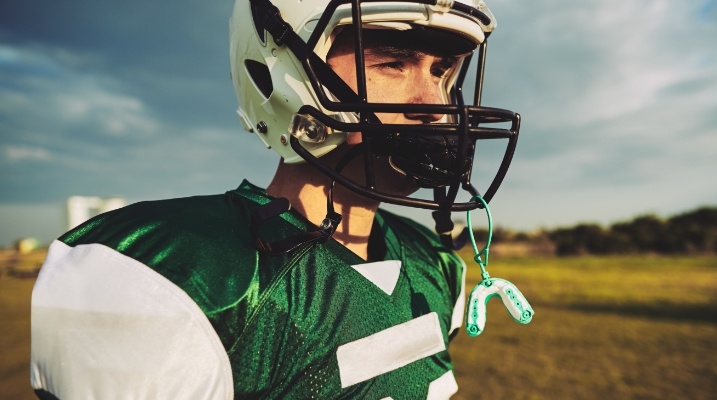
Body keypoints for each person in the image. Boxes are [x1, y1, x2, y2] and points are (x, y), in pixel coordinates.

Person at [30, 0, 521, 398]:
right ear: (281, 72)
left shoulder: (436, 266)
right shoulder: (169, 277)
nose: (434, 105)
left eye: (442, 72)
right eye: (392, 63)